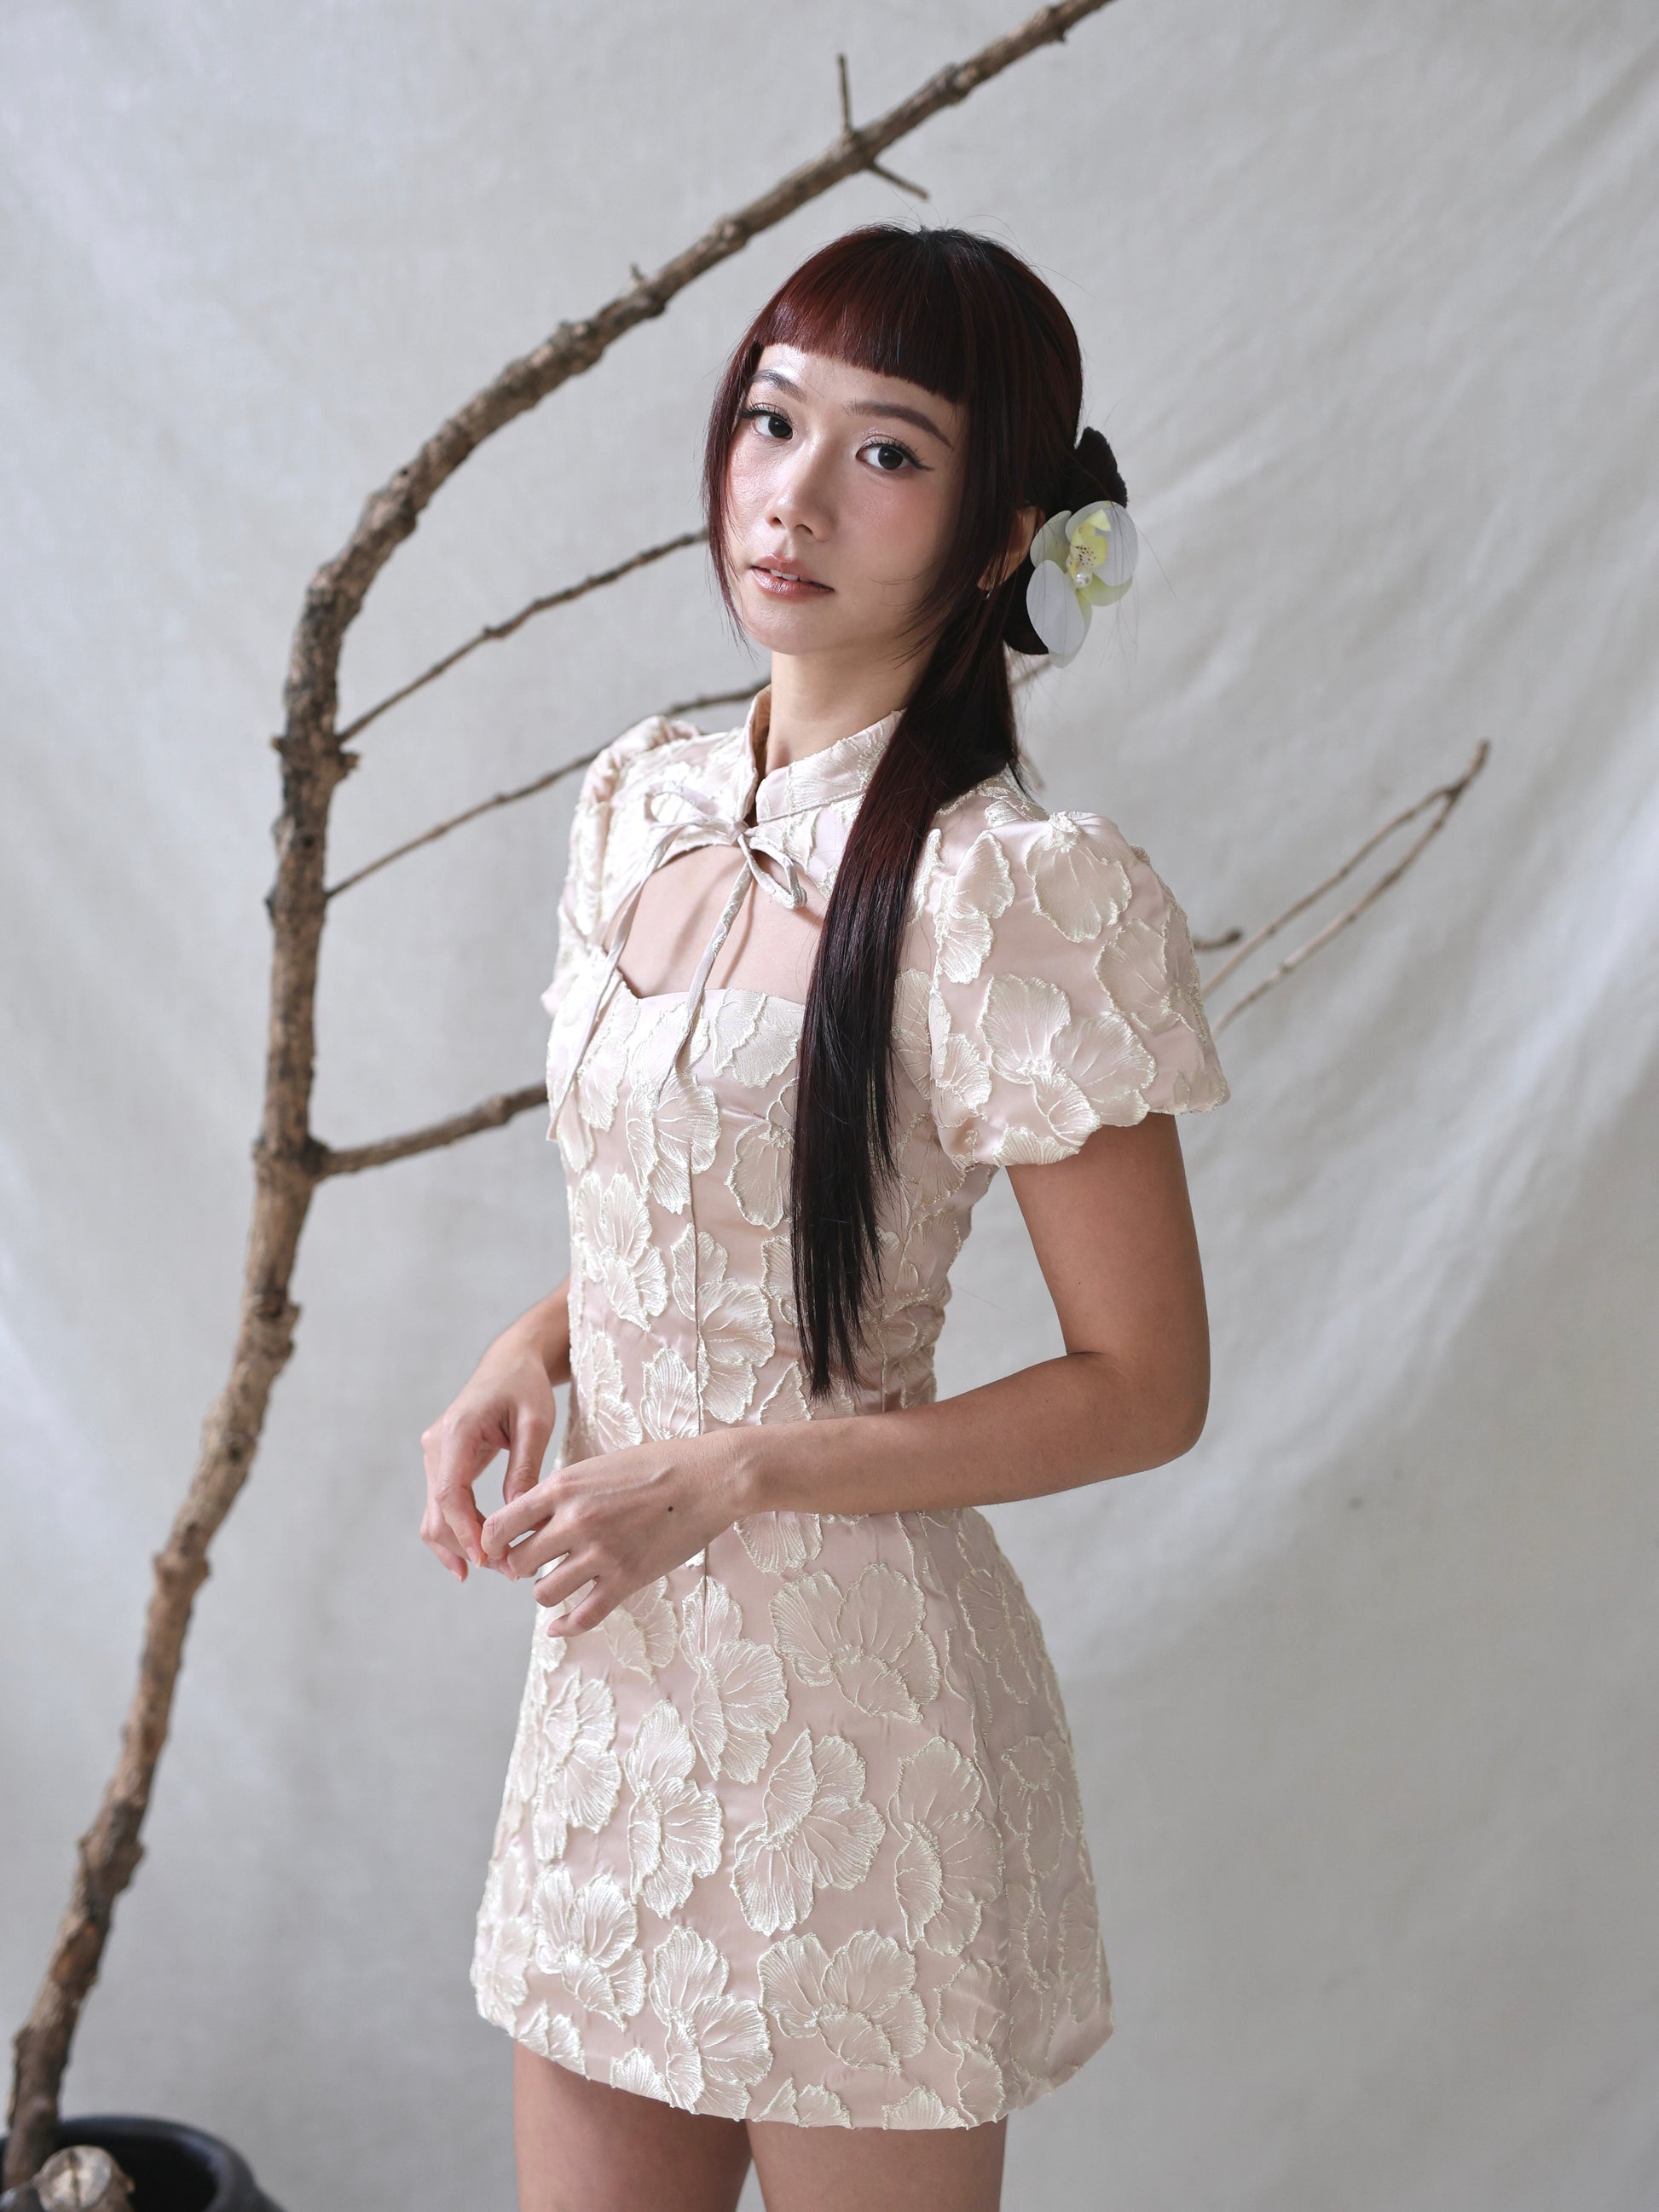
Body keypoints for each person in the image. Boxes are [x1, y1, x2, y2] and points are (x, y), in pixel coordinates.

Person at [420, 223, 1228, 2212]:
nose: (790, 494)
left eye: (885, 451)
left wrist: (740, 1464)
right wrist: (534, 1342)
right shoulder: (640, 797)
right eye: (773, 421)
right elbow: (711, 1196)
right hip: (611, 1682)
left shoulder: (1010, 888)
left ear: (1001, 532)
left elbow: (1145, 1384)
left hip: (852, 1725)